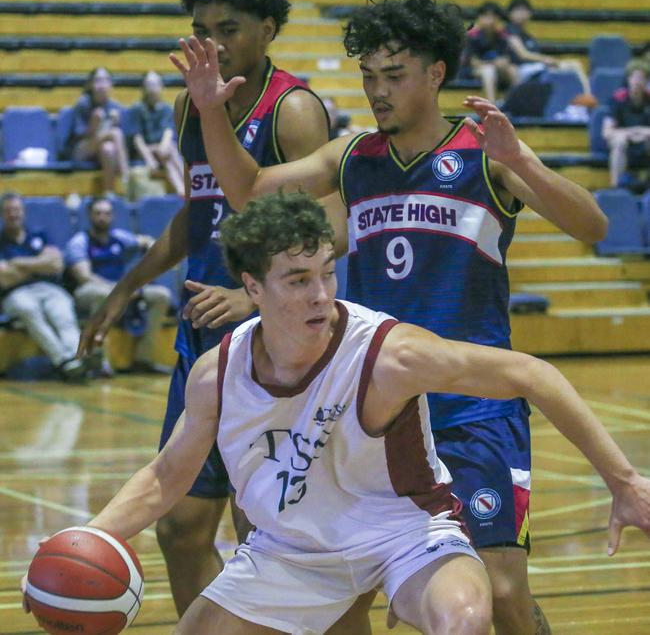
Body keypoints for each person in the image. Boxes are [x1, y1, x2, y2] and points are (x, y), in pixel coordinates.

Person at [171, 0, 609, 634]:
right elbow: (246, 191)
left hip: (469, 401)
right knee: (342, 596)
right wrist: (211, 112)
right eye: (369, 76)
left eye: (394, 75)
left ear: (435, 74)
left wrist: (521, 163)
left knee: (504, 588)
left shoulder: (487, 155)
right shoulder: (354, 158)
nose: (378, 90)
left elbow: (592, 226)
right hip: (374, 408)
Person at [22, 192, 650, 635]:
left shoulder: (387, 352)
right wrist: (89, 538)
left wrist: (623, 482)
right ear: (252, 287)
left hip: (405, 537)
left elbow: (530, 374)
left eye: (326, 272)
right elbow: (167, 476)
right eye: (297, 280)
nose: (320, 294)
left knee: (463, 617)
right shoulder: (220, 370)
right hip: (290, 551)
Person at [75, 0, 339, 621]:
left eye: (230, 27)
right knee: (181, 531)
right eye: (202, 27)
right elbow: (199, 215)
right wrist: (127, 285)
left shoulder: (293, 110)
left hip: (275, 350)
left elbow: (329, 222)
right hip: (202, 345)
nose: (213, 42)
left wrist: (250, 296)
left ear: (269, 30)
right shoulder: (191, 110)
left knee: (264, 536)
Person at [65, 197, 172, 376]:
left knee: (162, 295)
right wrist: (119, 292)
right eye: (97, 213)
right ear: (89, 216)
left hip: (119, 291)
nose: (102, 217)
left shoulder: (119, 237)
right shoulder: (80, 241)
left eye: (106, 213)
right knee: (102, 294)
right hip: (88, 292)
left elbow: (145, 242)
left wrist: (150, 245)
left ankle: (143, 358)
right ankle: (99, 362)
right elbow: (84, 277)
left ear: (112, 216)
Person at [0, 193, 85, 380]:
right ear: (2, 215)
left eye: (17, 210)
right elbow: (4, 278)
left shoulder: (39, 234)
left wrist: (18, 263)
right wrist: (40, 264)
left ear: (23, 212)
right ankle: (63, 360)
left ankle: (76, 358)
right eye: (8, 211)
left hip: (49, 288)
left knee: (63, 311)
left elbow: (56, 264)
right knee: (27, 308)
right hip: (15, 293)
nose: (13, 214)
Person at [505, 0, 591, 94]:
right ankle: (587, 94)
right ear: (510, 14)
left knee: (575, 65)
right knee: (573, 66)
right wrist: (546, 59)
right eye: (518, 10)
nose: (521, 14)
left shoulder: (527, 35)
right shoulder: (510, 31)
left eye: (524, 10)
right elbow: (523, 54)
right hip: (523, 69)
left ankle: (587, 94)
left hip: (536, 67)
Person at [66, 67, 130, 194]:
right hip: (81, 152)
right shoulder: (83, 104)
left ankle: (109, 194)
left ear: (111, 84)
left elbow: (127, 141)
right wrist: (93, 125)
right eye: (97, 81)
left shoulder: (116, 108)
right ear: (90, 85)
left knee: (108, 149)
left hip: (103, 153)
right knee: (115, 133)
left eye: (105, 81)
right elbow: (80, 137)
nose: (101, 85)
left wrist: (118, 122)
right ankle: (127, 179)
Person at [130, 71, 185, 196]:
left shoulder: (167, 109)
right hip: (143, 153)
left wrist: (162, 148)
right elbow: (137, 139)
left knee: (169, 150)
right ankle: (185, 187)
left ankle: (182, 189)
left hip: (163, 152)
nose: (152, 89)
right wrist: (149, 159)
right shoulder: (136, 110)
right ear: (143, 88)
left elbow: (168, 133)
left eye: (155, 85)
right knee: (169, 151)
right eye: (149, 85)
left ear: (161, 87)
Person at [602, 59, 650, 189]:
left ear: (646, 82)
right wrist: (632, 132)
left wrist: (642, 133)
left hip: (644, 142)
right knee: (619, 141)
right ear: (628, 79)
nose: (637, 82)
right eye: (634, 77)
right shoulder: (617, 99)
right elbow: (607, 132)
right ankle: (616, 187)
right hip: (623, 140)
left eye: (641, 78)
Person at [461, 1, 518, 102]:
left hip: (497, 69)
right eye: (486, 16)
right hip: (473, 71)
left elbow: (506, 59)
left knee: (512, 70)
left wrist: (502, 63)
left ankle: (512, 103)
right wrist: (493, 63)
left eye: (493, 17)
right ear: (479, 18)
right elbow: (473, 63)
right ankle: (491, 106)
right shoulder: (473, 36)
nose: (490, 20)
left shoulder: (502, 36)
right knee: (488, 71)